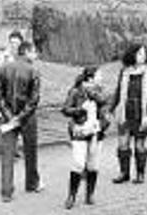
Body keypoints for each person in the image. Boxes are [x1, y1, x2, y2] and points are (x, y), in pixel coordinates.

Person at [0, 40, 44, 202]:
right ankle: (31, 183)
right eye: (34, 51)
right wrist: (21, 117)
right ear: (27, 52)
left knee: (8, 154)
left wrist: (9, 116)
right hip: (27, 118)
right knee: (31, 152)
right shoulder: (33, 71)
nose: (36, 55)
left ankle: (6, 191)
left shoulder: (4, 67)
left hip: (8, 116)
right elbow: (34, 99)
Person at [60, 66, 110, 209]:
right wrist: (81, 110)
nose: (102, 78)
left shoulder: (102, 93)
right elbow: (65, 109)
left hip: (96, 133)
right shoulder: (76, 91)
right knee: (78, 163)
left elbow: (106, 115)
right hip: (79, 133)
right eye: (99, 75)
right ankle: (71, 196)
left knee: (93, 165)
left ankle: (90, 194)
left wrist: (99, 126)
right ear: (90, 78)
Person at [109, 42, 147, 185]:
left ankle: (140, 174)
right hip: (125, 111)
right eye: (139, 53)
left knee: (139, 145)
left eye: (144, 53)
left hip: (141, 113)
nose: (142, 56)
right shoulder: (125, 71)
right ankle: (124, 173)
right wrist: (111, 109)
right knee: (123, 143)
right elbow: (118, 91)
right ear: (132, 54)